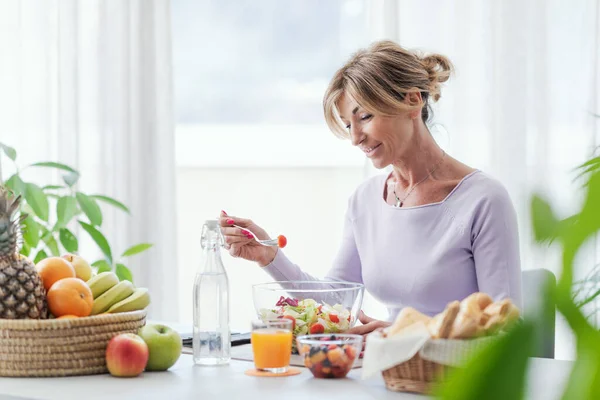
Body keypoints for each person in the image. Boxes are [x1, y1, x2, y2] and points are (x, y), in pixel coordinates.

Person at [219, 40, 522, 336]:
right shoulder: (365, 200)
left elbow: (505, 326)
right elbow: (339, 298)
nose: (355, 138)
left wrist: (406, 333)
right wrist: (269, 256)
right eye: (348, 125)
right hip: (394, 373)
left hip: (459, 380)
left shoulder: (483, 200)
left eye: (364, 117)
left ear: (413, 100)